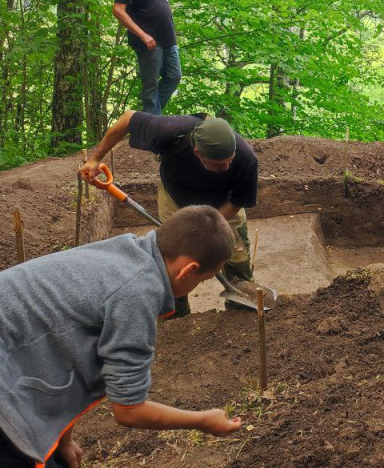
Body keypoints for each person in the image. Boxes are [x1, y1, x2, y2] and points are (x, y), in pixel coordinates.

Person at [0, 205, 242, 468]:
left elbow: (59, 351)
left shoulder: (120, 253)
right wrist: (202, 421)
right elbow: (130, 410)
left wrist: (61, 438)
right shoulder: (137, 293)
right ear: (189, 270)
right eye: (202, 281)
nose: (195, 289)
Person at [81, 110, 265, 317]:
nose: (227, 167)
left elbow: (238, 201)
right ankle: (177, 318)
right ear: (197, 152)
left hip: (223, 202)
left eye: (229, 161)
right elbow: (127, 119)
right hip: (176, 197)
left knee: (235, 252)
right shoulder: (168, 131)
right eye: (218, 165)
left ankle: (240, 309)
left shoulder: (247, 160)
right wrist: (95, 159)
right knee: (174, 259)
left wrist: (210, 228)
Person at [114, 0, 181, 115]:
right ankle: (153, 127)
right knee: (151, 86)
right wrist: (143, 35)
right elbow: (118, 11)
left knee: (174, 77)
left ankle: (149, 118)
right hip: (149, 42)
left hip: (168, 39)